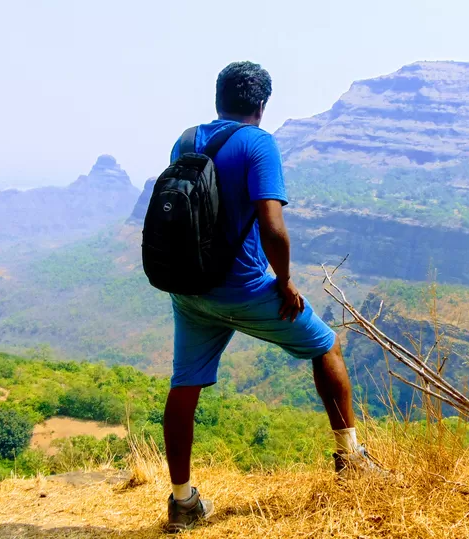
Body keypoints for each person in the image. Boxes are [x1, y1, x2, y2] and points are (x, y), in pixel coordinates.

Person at [162, 61, 381, 533]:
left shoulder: (186, 139)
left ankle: (182, 503)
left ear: (219, 98)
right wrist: (284, 281)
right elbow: (272, 226)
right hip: (244, 286)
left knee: (185, 385)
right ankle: (351, 456)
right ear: (262, 105)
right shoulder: (258, 143)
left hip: (189, 289)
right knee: (326, 346)